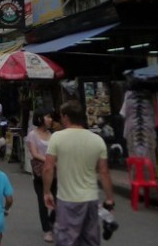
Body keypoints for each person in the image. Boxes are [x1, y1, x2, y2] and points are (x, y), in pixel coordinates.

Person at [43, 100, 114, 246]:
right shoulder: (97, 140)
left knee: (66, 240)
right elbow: (104, 172)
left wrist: (46, 192)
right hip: (90, 199)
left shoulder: (57, 137)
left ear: (66, 117)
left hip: (67, 198)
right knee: (90, 240)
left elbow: (48, 167)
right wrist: (109, 198)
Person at [25, 109, 56, 243]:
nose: (50, 119)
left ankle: (52, 221)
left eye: (51, 117)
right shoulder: (32, 135)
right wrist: (49, 160)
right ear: (40, 118)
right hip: (40, 174)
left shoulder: (53, 135)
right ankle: (47, 230)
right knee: (43, 202)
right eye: (47, 116)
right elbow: (34, 153)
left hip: (55, 173)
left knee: (59, 201)